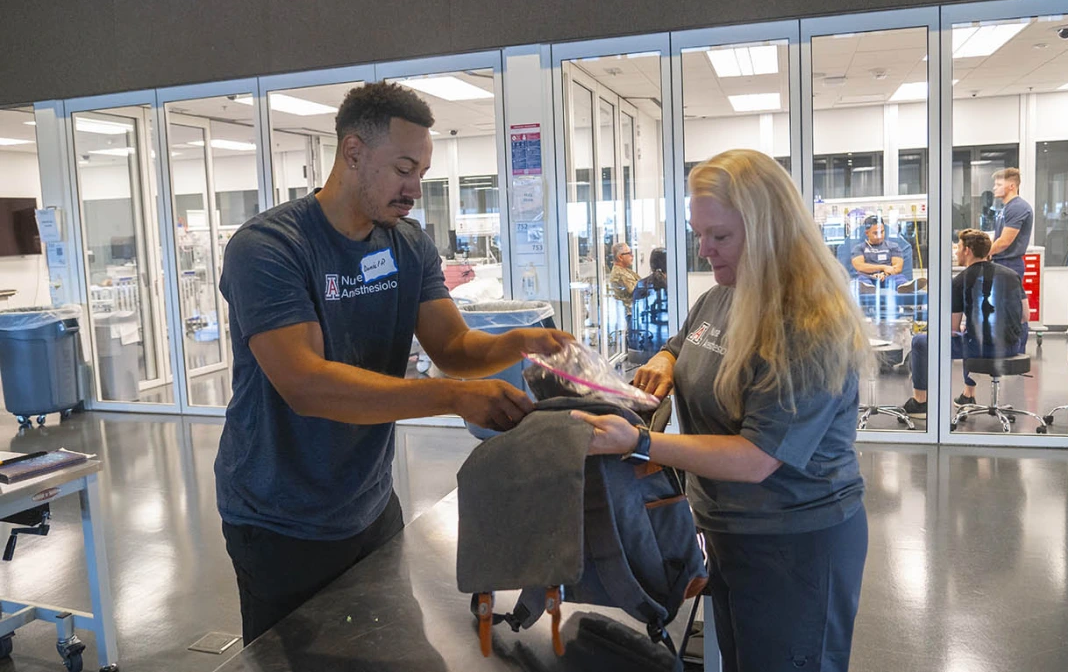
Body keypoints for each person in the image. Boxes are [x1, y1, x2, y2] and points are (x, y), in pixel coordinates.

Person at [214, 81, 571, 644]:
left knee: (391, 647)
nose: (414, 189)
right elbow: (306, 384)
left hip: (370, 503)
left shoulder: (406, 244)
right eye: (404, 168)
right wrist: (450, 396)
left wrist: (522, 341)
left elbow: (452, 347)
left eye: (422, 173)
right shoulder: (270, 248)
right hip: (281, 516)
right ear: (353, 153)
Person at [574, 149, 869, 672]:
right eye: (699, 233)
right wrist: (666, 360)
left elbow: (757, 458)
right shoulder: (725, 294)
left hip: (793, 545)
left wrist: (639, 442)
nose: (704, 250)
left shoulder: (806, 324)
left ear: (768, 227)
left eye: (720, 236)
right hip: (727, 532)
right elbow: (684, 340)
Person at [903, 229, 1029, 415]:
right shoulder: (1011, 275)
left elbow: (952, 329)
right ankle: (967, 395)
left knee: (921, 342)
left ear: (968, 250)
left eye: (959, 248)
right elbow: (1025, 316)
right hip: (1011, 346)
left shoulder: (961, 280)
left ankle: (920, 401)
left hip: (981, 349)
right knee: (969, 334)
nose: (956, 252)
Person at [989, 167, 1034, 279]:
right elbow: (998, 236)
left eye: (999, 185)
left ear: (1011, 186)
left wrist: (983, 254)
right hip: (1001, 262)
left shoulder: (1017, 207)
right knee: (1010, 296)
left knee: (1009, 296)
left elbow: (1004, 241)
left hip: (1009, 264)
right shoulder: (1006, 208)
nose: (994, 188)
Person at [851, 215, 906, 287]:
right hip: (867, 277)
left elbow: (898, 267)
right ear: (867, 233)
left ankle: (904, 286)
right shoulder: (859, 248)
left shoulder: (893, 246)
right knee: (861, 280)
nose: (879, 236)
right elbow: (860, 266)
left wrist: (883, 274)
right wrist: (883, 268)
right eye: (875, 233)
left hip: (888, 276)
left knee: (900, 278)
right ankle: (868, 288)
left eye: (882, 232)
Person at [608, 242, 639, 312]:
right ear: (620, 257)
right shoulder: (620, 274)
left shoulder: (625, 270)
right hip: (629, 313)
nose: (632, 256)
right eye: (629, 253)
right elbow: (638, 290)